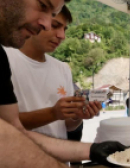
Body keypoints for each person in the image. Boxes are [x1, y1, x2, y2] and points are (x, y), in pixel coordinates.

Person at [0, 0, 130, 168]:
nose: (54, 30)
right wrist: (53, 113)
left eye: (61, 26)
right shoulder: (10, 57)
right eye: (43, 7)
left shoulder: (62, 69)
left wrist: (79, 122)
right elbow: (10, 135)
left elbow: (15, 129)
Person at [5, 5, 100, 147]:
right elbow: (6, 124)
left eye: (64, 29)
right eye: (55, 26)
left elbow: (66, 126)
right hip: (18, 163)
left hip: (59, 163)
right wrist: (53, 113)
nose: (62, 36)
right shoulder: (6, 58)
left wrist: (77, 116)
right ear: (38, 21)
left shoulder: (62, 68)